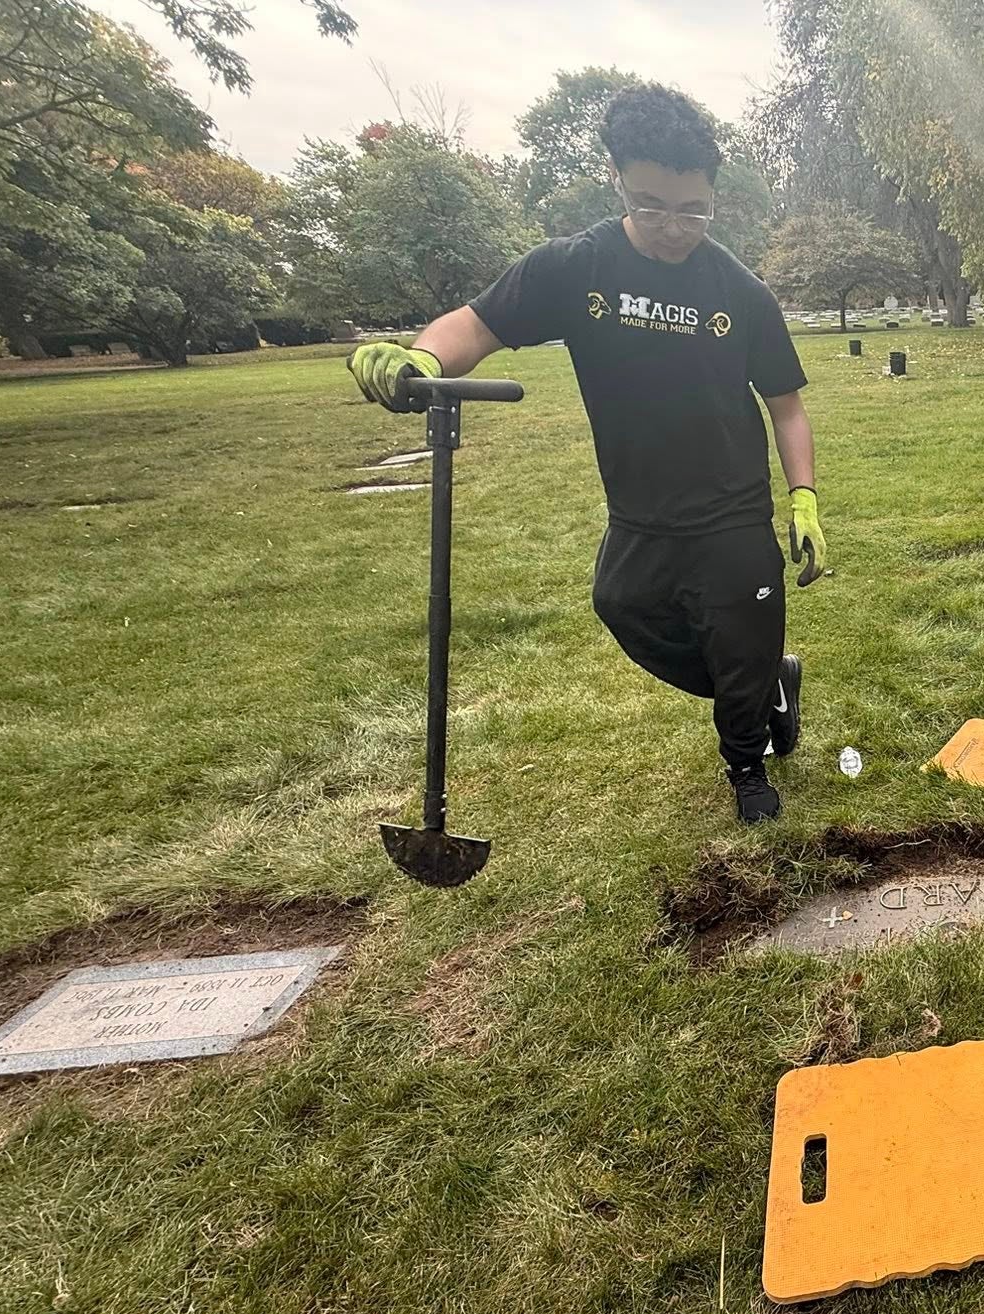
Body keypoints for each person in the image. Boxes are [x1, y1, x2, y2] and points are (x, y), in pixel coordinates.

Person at [345, 85, 822, 823]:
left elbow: (785, 404)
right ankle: (766, 686)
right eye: (652, 204)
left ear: (713, 194)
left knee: (739, 636)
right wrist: (423, 362)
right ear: (617, 181)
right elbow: (476, 325)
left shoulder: (740, 290)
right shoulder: (577, 269)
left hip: (731, 508)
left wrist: (804, 499)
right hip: (640, 510)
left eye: (693, 209)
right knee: (622, 607)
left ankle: (747, 766)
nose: (674, 227)